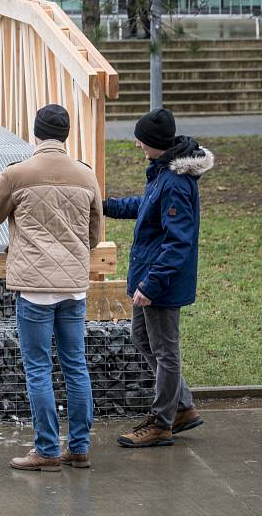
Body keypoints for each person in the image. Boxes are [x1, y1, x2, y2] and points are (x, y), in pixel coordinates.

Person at [0, 104, 103, 472]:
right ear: (66, 134)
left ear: (36, 132)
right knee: (76, 366)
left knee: (39, 368)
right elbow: (94, 235)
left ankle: (46, 449)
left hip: (34, 289)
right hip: (73, 287)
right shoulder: (86, 176)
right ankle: (78, 447)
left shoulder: (17, 174)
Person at [104, 108, 212, 448]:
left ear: (155, 143)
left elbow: (178, 242)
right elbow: (146, 204)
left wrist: (152, 285)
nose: (136, 144)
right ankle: (182, 407)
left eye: (141, 139)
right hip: (148, 276)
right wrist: (108, 205)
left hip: (160, 282)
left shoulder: (176, 182)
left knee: (165, 350)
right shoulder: (163, 172)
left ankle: (162, 422)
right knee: (142, 339)